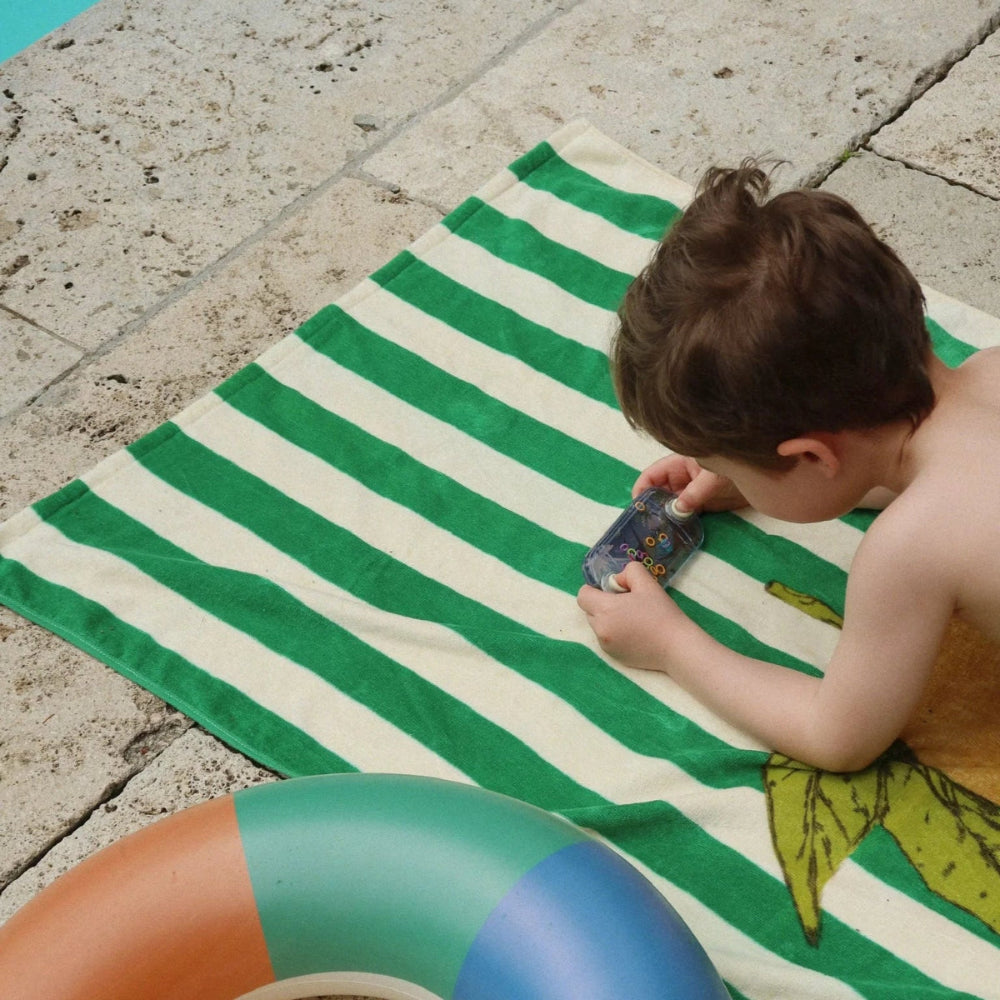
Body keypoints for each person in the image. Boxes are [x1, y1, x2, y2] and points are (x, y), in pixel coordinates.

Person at [577, 159, 1000, 772]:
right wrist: (751, 487)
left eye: (738, 468)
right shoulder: (989, 368)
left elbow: (837, 736)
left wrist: (670, 643)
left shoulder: (910, 550)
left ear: (809, 457)